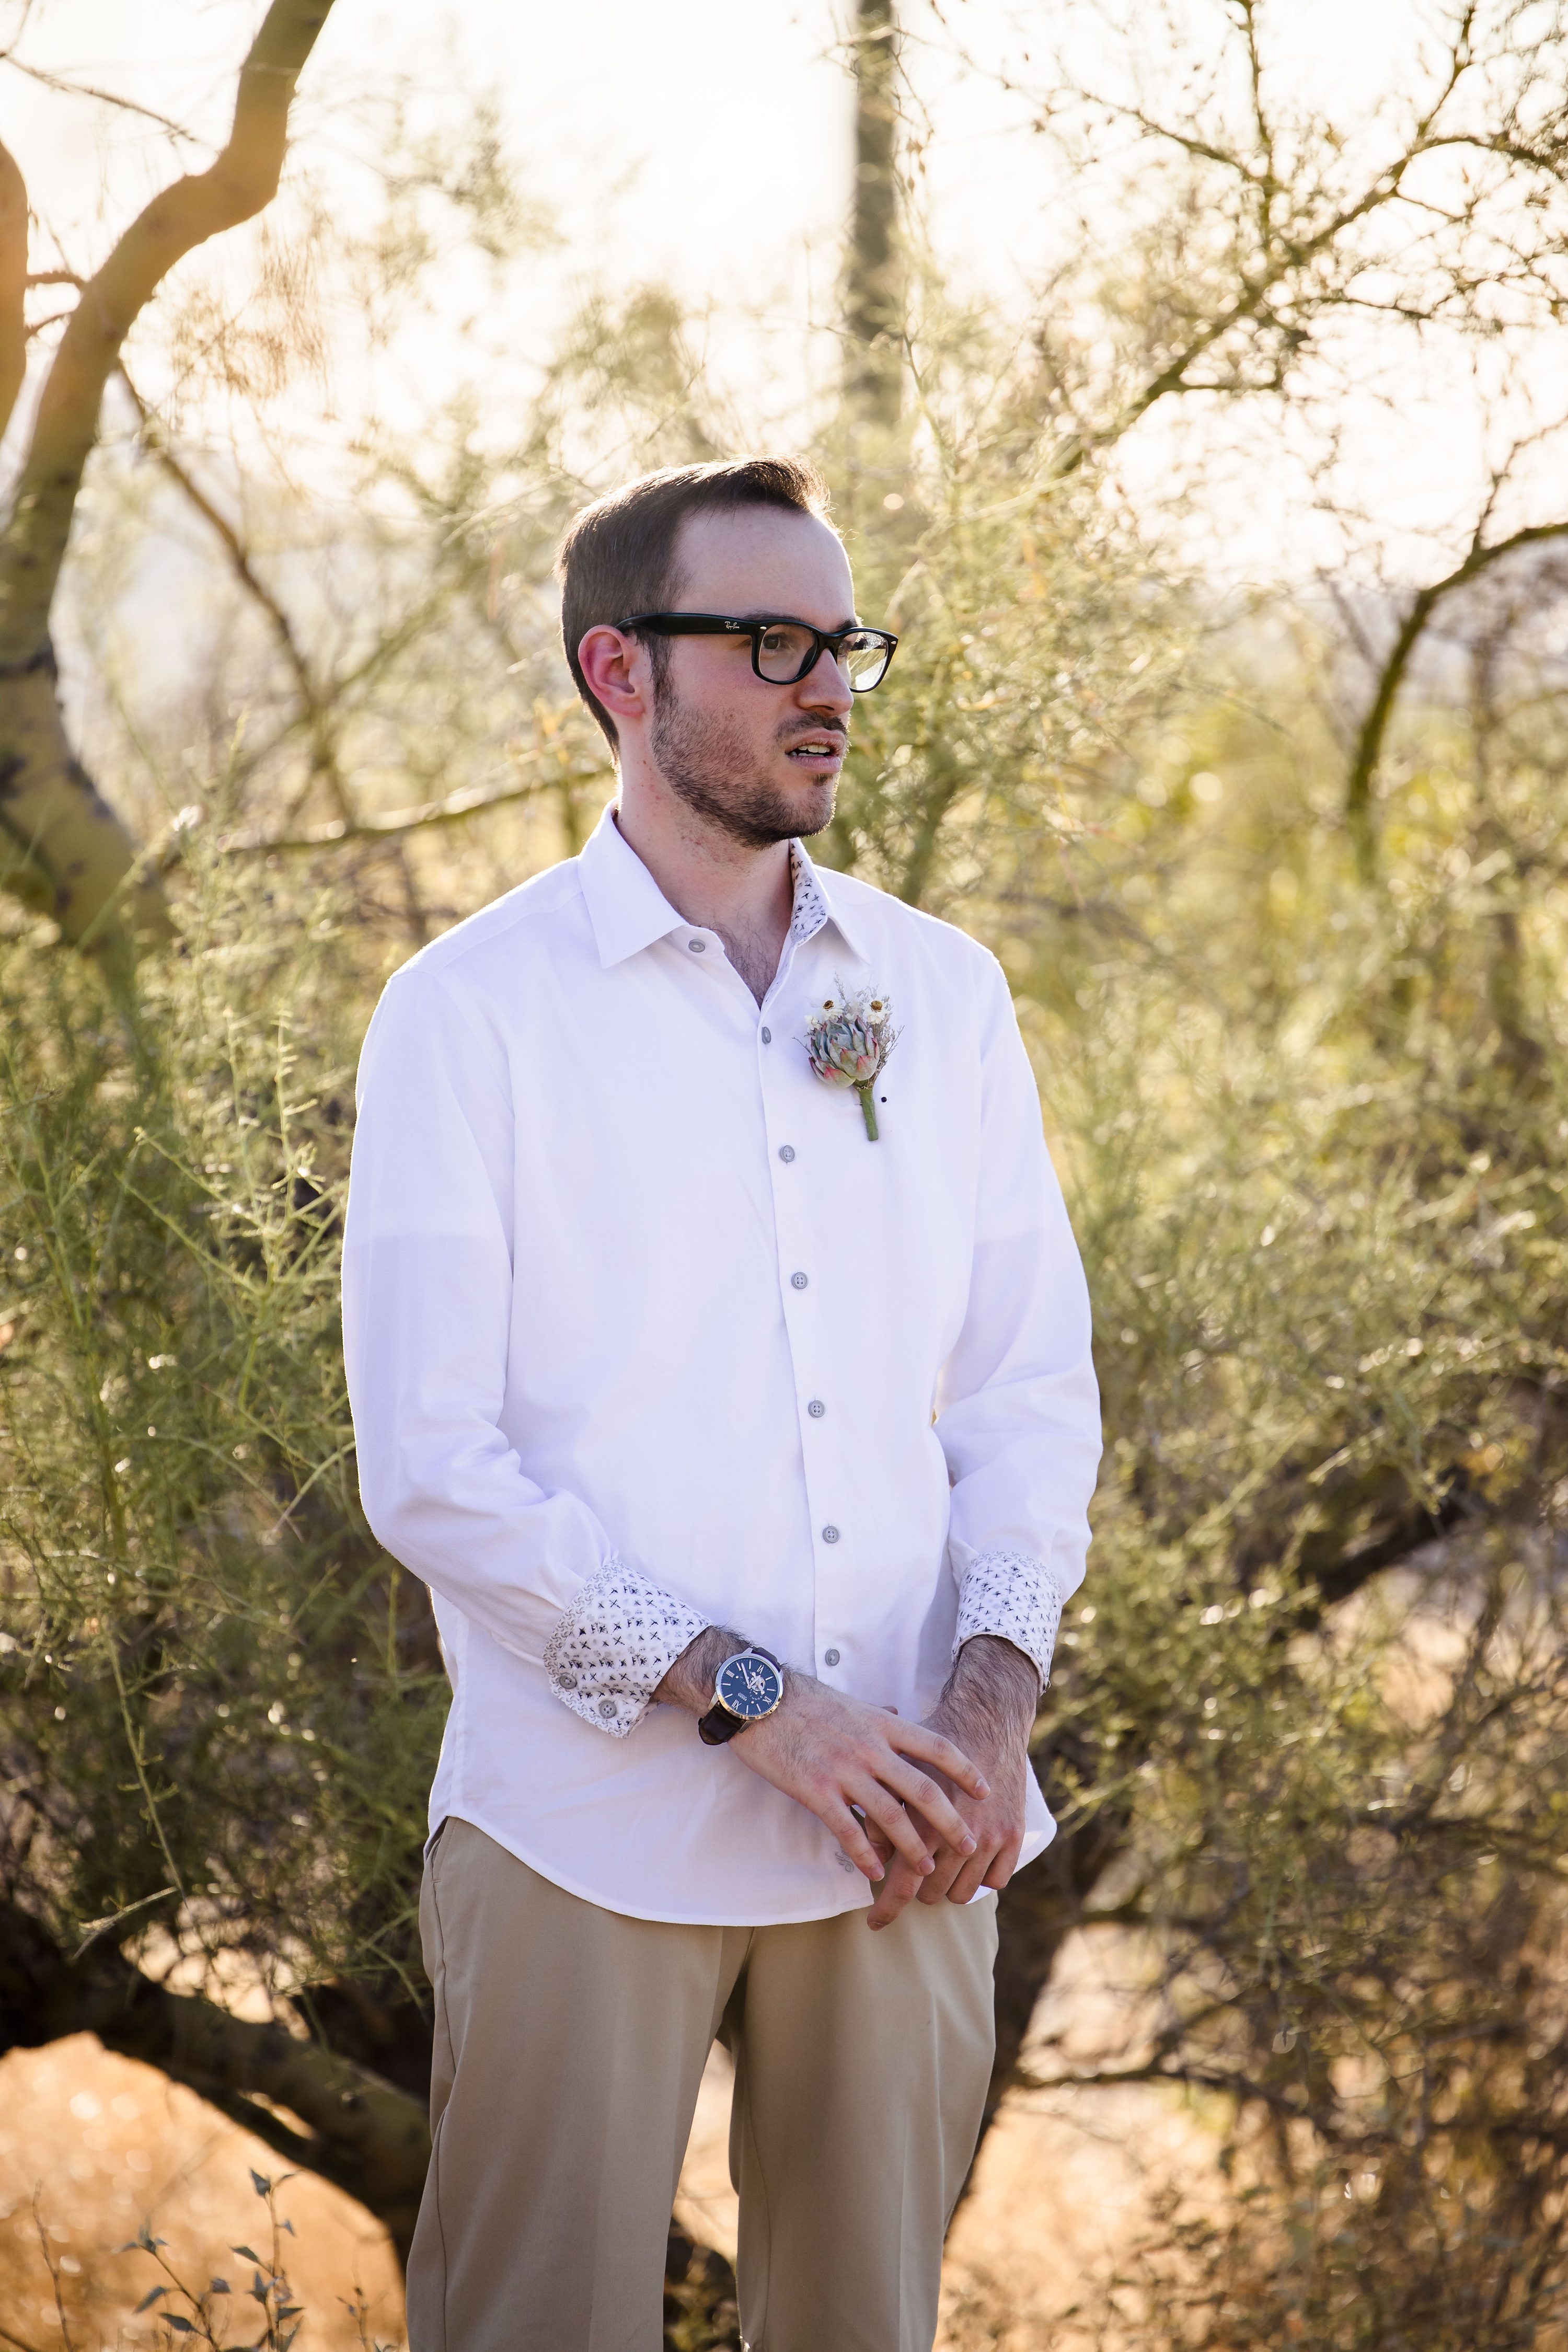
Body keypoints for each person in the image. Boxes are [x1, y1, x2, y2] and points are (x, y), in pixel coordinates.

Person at [342, 455, 1101, 2352]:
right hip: (582, 1824)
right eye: (770, 641)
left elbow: (1025, 1386)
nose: (826, 681)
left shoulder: (948, 995)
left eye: (842, 639)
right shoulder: (472, 1011)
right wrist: (762, 1709)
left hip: (913, 1827)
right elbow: (434, 1470)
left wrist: (986, 1714)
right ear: (620, 670)